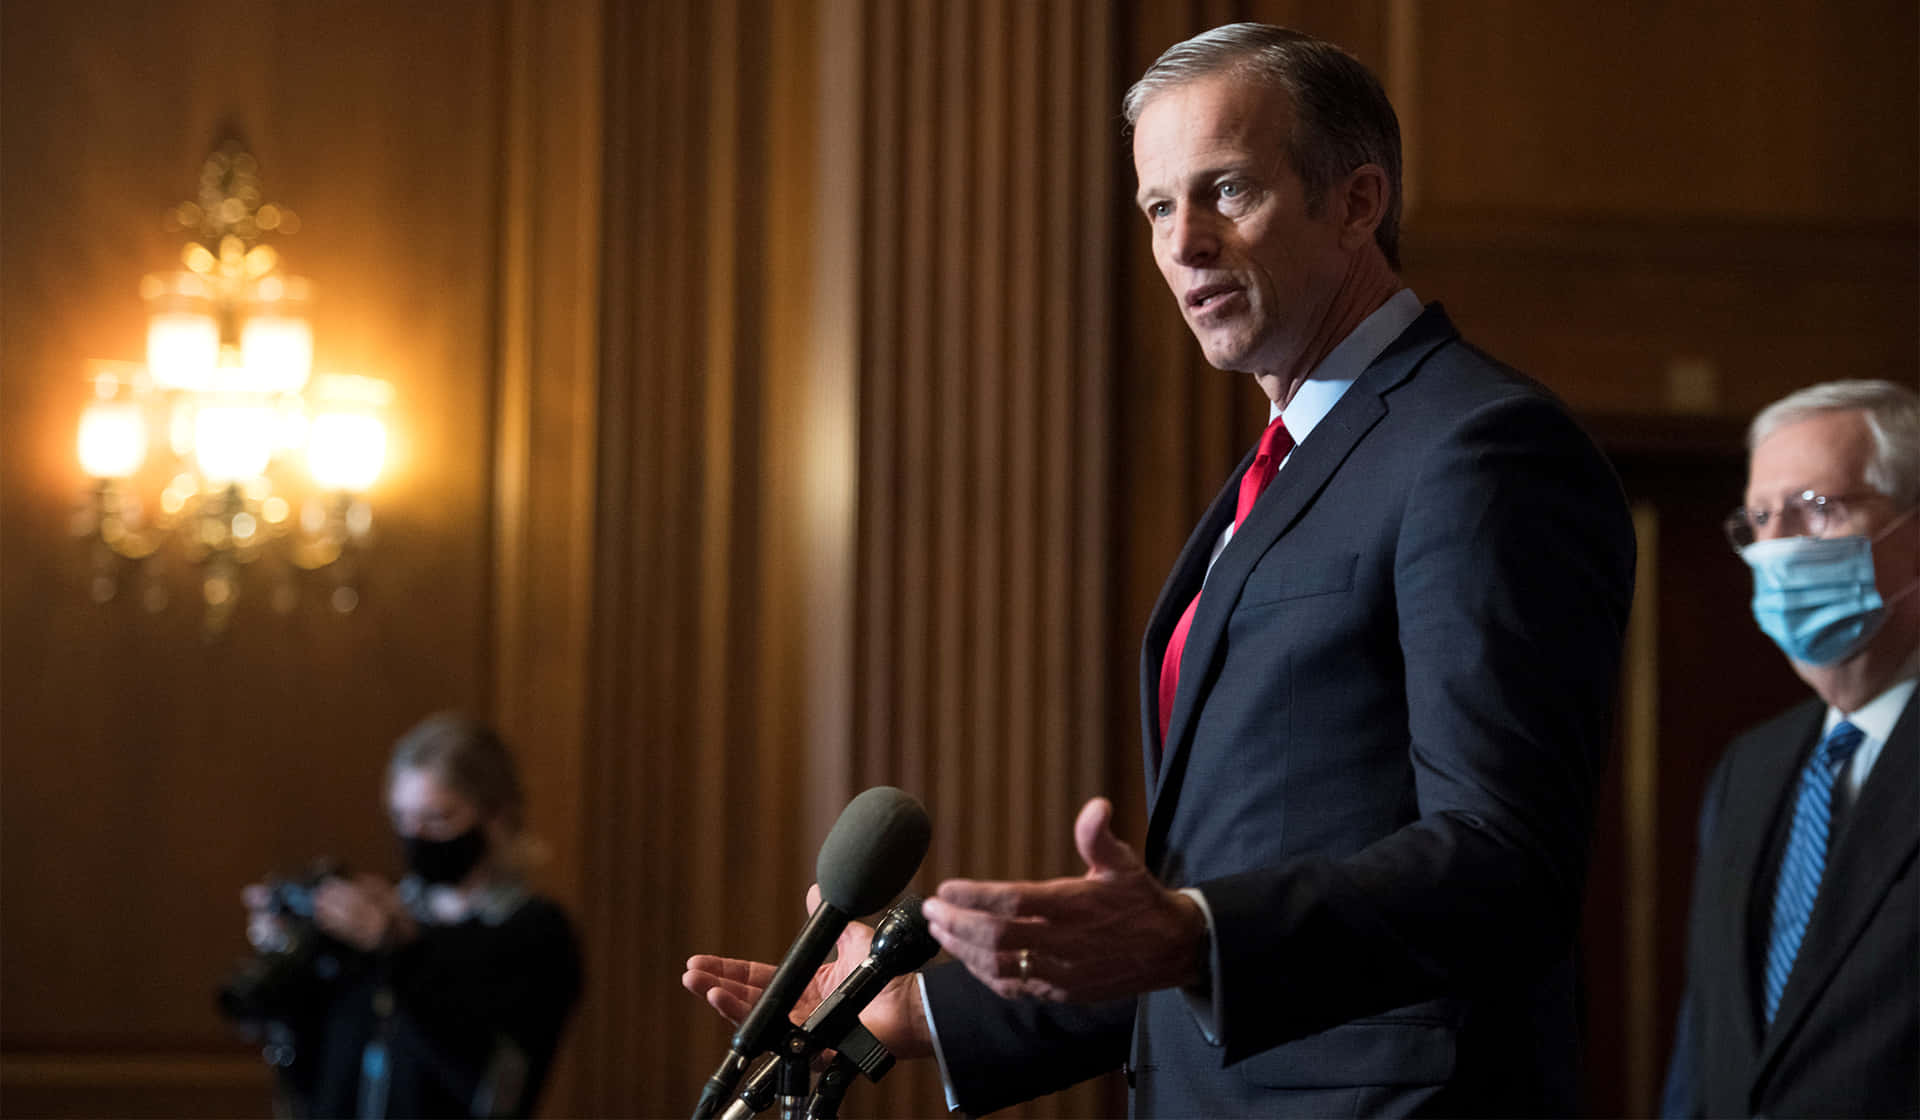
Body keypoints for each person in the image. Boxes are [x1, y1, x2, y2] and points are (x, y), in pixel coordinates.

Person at [685, 22, 1634, 1116]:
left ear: (1358, 202)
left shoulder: (1479, 449)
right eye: (1156, 207)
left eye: (1227, 192)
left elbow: (1505, 861)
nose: (1184, 244)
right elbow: (1212, 916)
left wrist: (1192, 930)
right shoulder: (1277, 475)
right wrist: (927, 1014)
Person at [1661, 380, 1918, 1118]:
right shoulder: (1751, 769)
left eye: (1816, 509)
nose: (1773, 551)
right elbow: (1703, 1045)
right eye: (1759, 518)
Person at [237, 713, 582, 1118]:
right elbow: (311, 1075)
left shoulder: (533, 932)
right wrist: (292, 957)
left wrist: (398, 954)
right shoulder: (376, 923)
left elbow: (491, 1083)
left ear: (496, 817)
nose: (415, 836)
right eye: (402, 819)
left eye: (437, 819)